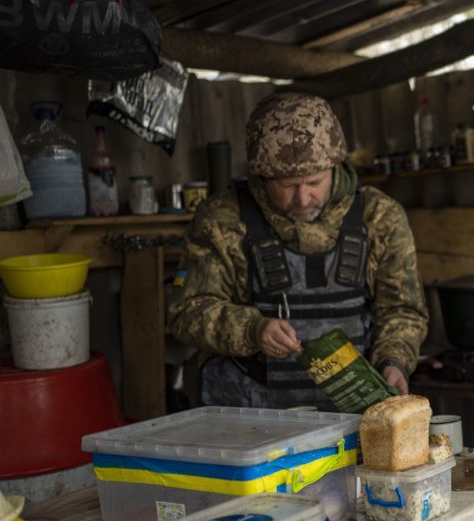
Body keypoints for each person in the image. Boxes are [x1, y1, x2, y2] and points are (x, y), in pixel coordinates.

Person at [169, 92, 428, 409]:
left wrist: (394, 361)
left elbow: (402, 310)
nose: (303, 199)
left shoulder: (379, 217)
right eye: (288, 186)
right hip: (249, 412)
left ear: (335, 167)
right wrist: (252, 329)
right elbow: (186, 311)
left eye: (314, 182)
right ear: (262, 177)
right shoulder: (221, 220)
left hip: (351, 410)